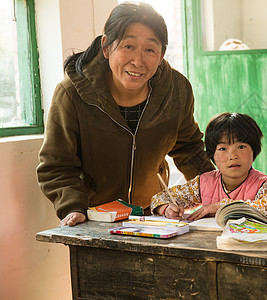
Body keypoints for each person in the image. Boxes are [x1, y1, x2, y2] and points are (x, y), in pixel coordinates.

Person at [37, 2, 214, 227]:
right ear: (106, 47)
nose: (138, 61)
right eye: (128, 46)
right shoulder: (72, 95)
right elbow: (57, 165)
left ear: (161, 55)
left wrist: (221, 196)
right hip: (96, 219)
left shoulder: (176, 91)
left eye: (150, 49)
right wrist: (74, 208)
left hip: (155, 216)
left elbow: (189, 149)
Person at [150, 112, 267, 223]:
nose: (232, 155)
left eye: (241, 147)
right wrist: (167, 208)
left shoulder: (266, 186)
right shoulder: (203, 183)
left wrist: (221, 206)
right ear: (212, 155)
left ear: (255, 151)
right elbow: (159, 198)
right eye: (223, 148)